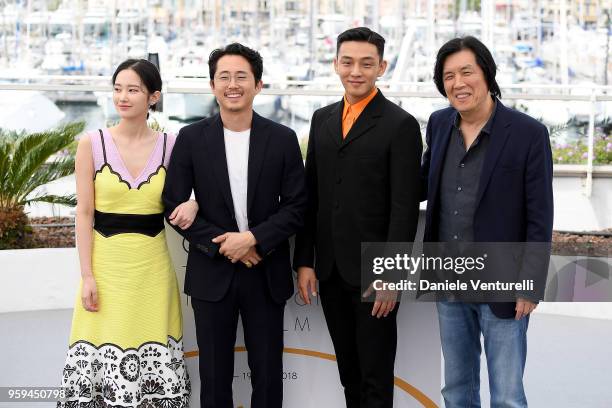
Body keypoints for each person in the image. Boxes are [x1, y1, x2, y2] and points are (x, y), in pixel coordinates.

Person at [162, 43, 307, 408]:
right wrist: (222, 243)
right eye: (224, 77)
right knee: (213, 380)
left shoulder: (282, 139)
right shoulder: (192, 138)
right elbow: (172, 204)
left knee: (269, 377)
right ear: (212, 85)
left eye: (241, 76)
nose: (232, 84)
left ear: (257, 85)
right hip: (212, 274)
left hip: (265, 270)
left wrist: (253, 240)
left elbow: (296, 206)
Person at [420, 36, 553, 407]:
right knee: (456, 389)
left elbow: (540, 216)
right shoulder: (439, 123)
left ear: (486, 74)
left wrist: (531, 283)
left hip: (504, 285)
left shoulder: (528, 133)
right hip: (448, 280)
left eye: (467, 72)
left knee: (507, 395)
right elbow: (422, 181)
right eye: (448, 76)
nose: (458, 83)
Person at [293, 27, 423, 408]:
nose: (356, 71)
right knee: (348, 373)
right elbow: (311, 195)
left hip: (374, 274)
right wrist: (305, 261)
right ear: (336, 64)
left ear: (381, 67)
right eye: (347, 62)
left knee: (375, 378)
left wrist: (391, 274)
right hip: (330, 271)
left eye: (367, 63)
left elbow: (404, 207)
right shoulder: (322, 119)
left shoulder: (400, 125)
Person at [59, 59, 196, 407]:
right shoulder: (92, 143)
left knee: (154, 363)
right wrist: (86, 275)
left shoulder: (172, 145)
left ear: (153, 97)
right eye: (118, 88)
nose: (123, 96)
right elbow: (85, 213)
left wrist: (194, 204)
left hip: (152, 271)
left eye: (133, 89)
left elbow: (197, 193)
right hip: (105, 272)